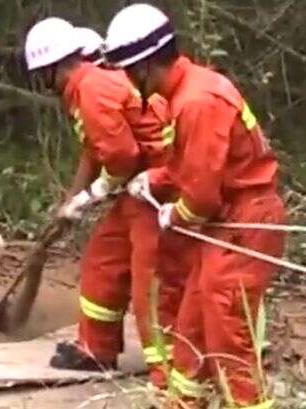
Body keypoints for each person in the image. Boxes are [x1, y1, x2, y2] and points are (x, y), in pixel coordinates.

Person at [104, 4, 287, 409]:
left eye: (128, 72)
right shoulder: (187, 93)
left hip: (245, 218)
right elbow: (190, 166)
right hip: (229, 219)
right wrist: (152, 180)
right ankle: (184, 402)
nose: (129, 83)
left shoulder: (197, 101)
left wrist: (176, 214)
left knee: (227, 332)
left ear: (145, 65)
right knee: (192, 324)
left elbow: (202, 195)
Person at [24, 18, 184, 387]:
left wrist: (92, 195)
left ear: (52, 68)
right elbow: (95, 152)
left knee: (151, 281)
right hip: (135, 189)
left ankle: (169, 374)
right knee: (103, 260)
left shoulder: (91, 89)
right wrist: (73, 202)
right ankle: (97, 350)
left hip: (156, 186)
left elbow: (123, 156)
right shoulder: (85, 89)